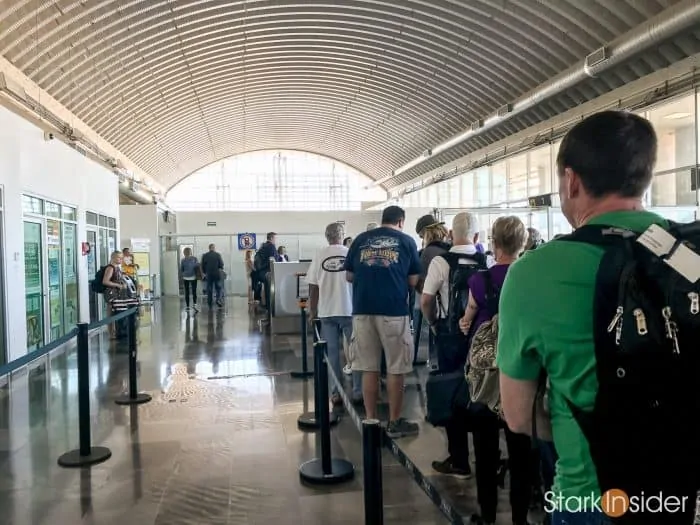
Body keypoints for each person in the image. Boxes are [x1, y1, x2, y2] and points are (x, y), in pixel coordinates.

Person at [497, 111, 687, 525]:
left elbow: (517, 415)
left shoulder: (533, 272)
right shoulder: (688, 257)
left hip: (594, 500)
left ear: (571, 182)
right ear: (643, 179)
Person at [458, 216, 531, 525]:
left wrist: (466, 324)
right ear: (523, 244)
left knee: (485, 454)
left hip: (487, 380)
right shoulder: (530, 277)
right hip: (522, 374)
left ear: (494, 243)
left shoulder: (480, 280)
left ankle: (487, 516)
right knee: (522, 455)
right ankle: (519, 518)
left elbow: (467, 320)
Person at [345, 205, 421, 438]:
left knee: (369, 367)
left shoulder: (360, 239)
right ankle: (395, 422)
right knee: (396, 369)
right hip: (394, 311)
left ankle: (370, 419)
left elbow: (348, 275)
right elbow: (413, 279)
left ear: (382, 220)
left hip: (362, 310)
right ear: (401, 221)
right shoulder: (407, 241)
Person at [421, 212, 486, 478]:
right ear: (477, 236)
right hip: (482, 337)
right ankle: (486, 456)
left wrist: (434, 323)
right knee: (482, 392)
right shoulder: (486, 259)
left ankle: (459, 460)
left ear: (450, 234)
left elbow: (426, 301)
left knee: (452, 391)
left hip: (450, 337)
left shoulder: (440, 261)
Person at [307, 222, 362, 406]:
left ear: (326, 236)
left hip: (327, 311)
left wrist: (312, 309)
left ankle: (335, 393)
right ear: (342, 234)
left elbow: (313, 286)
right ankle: (358, 391)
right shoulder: (350, 252)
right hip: (349, 309)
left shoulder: (319, 254)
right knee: (355, 353)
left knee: (332, 354)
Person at [414, 214, 450, 362]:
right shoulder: (450, 248)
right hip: (449, 303)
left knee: (429, 335)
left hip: (432, 302)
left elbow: (420, 283)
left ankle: (429, 362)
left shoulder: (427, 253)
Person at [102, 250, 127, 339]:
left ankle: (115, 331)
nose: (121, 259)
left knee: (116, 312)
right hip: (111, 294)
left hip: (117, 294)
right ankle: (111, 333)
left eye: (121, 258)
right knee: (111, 313)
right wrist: (118, 285)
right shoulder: (110, 268)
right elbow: (105, 281)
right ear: (113, 258)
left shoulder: (117, 268)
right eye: (119, 258)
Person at [201, 243, 224, 308]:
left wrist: (204, 272)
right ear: (213, 248)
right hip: (216, 274)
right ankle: (218, 300)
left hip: (209, 274)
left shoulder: (205, 255)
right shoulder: (217, 255)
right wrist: (220, 268)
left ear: (209, 248)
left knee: (209, 288)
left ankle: (209, 302)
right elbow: (221, 264)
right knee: (218, 288)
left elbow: (202, 265)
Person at [180, 247, 200, 312]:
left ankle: (187, 306)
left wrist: (183, 274)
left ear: (184, 252)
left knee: (187, 291)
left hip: (185, 277)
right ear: (190, 252)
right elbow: (197, 266)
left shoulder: (183, 260)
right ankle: (195, 304)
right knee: (194, 291)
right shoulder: (194, 258)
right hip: (193, 276)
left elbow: (182, 269)